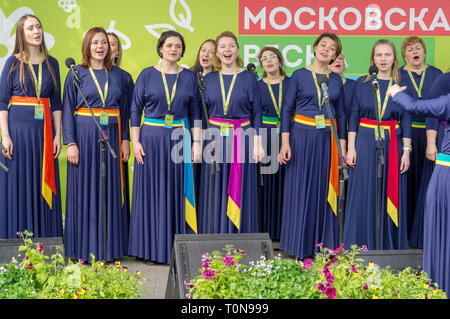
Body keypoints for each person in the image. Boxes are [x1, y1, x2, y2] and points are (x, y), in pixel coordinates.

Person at [128, 30, 202, 264]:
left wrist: (197, 144)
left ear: (182, 50)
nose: (173, 49)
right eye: (169, 45)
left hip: (180, 140)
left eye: (178, 46)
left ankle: (176, 250)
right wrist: (135, 142)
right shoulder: (147, 75)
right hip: (150, 139)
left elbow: (195, 113)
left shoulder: (189, 77)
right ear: (160, 48)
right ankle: (151, 250)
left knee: (176, 193)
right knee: (153, 194)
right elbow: (134, 111)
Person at [62, 27, 129, 262]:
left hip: (112, 134)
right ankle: (81, 249)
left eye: (104, 43)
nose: (101, 47)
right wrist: (70, 143)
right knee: (83, 192)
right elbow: (68, 112)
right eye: (95, 43)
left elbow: (127, 111)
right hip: (83, 137)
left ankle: (108, 250)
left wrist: (125, 140)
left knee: (109, 191)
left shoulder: (120, 76)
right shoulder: (76, 73)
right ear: (87, 47)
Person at [278, 32, 346, 259]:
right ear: (315, 47)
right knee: (300, 190)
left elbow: (342, 114)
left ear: (336, 55)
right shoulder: (298, 75)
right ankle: (298, 245)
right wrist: (284, 143)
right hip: (301, 138)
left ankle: (323, 246)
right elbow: (287, 110)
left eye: (332, 48)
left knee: (323, 191)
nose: (326, 50)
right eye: (323, 45)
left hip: (328, 140)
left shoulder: (335, 79)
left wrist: (343, 147)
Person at [344, 39, 412, 250]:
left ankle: (386, 244)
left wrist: (406, 151)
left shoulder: (401, 86)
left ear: (394, 59)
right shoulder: (361, 85)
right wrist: (351, 148)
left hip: (392, 143)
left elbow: (407, 120)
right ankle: (360, 243)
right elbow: (353, 116)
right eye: (379, 55)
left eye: (387, 55)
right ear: (373, 59)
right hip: (364, 142)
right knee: (363, 191)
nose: (383, 59)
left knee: (387, 191)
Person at [0, 14, 63, 238]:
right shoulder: (12, 62)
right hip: (18, 133)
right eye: (30, 28)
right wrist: (5, 136)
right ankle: (16, 242)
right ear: (22, 34)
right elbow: (2, 102)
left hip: (44, 135)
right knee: (19, 186)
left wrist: (58, 135)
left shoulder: (52, 62)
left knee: (41, 185)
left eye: (38, 26)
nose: (36, 31)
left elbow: (56, 102)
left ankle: (45, 240)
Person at [196, 31, 264, 234]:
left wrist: (258, 144)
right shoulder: (208, 79)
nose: (227, 50)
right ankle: (214, 235)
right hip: (214, 139)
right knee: (214, 186)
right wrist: (199, 144)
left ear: (237, 50)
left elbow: (257, 113)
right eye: (223, 46)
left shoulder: (249, 79)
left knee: (241, 187)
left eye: (231, 46)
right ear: (217, 52)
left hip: (242, 137)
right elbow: (200, 113)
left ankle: (240, 236)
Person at [387, 84, 450, 298]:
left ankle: (441, 287)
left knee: (443, 233)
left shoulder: (447, 102)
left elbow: (414, 106)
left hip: (446, 176)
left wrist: (396, 92)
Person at [398, 36, 442, 247]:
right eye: (410, 49)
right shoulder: (398, 75)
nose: (415, 52)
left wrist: (432, 141)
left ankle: (422, 235)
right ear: (404, 55)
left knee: (427, 185)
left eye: (418, 48)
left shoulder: (436, 74)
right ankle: (403, 234)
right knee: (405, 183)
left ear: (424, 53)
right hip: (405, 134)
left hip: (432, 135)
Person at [257, 46, 290, 240]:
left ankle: (283, 231)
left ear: (280, 60)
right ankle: (267, 231)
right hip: (266, 136)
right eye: (264, 59)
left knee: (286, 184)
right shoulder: (258, 85)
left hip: (287, 136)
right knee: (267, 185)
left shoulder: (292, 83)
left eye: (272, 57)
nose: (268, 61)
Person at [107, 32, 134, 232]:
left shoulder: (125, 77)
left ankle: (119, 235)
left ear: (118, 51)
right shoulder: (83, 73)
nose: (108, 47)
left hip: (117, 137)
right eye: (104, 43)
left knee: (117, 187)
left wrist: (126, 139)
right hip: (92, 136)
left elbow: (127, 112)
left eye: (113, 44)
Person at [328, 52, 357, 123]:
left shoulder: (355, 85)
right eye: (333, 59)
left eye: (340, 58)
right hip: (328, 131)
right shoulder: (322, 86)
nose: (337, 61)